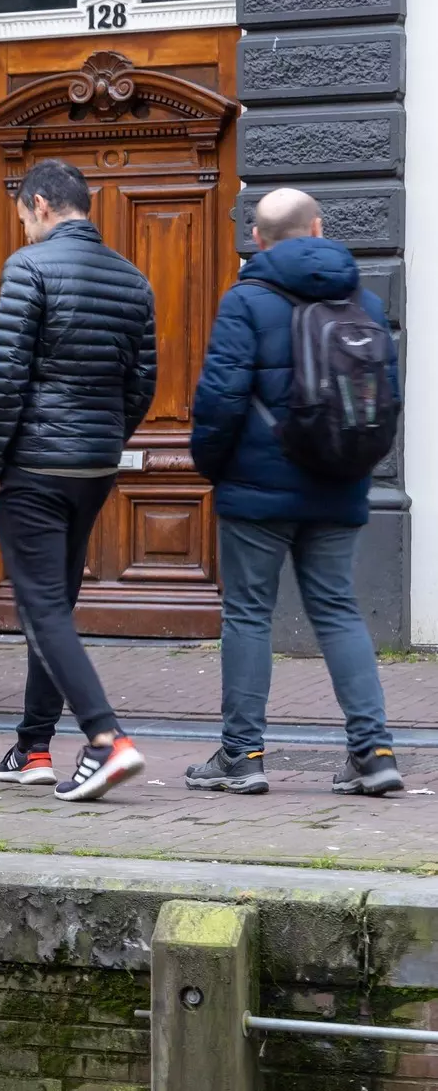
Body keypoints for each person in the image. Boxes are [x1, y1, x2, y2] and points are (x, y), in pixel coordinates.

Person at [183, 188, 404, 798]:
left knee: (248, 615)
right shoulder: (359, 295)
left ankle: (242, 755)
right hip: (339, 480)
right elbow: (388, 393)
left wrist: (214, 468)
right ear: (318, 227)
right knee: (337, 610)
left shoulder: (246, 298)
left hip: (257, 488)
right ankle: (375, 751)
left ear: (257, 237)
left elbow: (220, 398)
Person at [0, 158, 155, 802]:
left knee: (42, 607)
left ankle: (107, 741)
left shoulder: (29, 268)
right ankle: (35, 746)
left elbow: (6, 376)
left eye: (24, 216)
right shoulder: (133, 278)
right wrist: (105, 437)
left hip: (34, 465)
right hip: (95, 466)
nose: (23, 228)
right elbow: (143, 383)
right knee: (53, 605)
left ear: (43, 206)